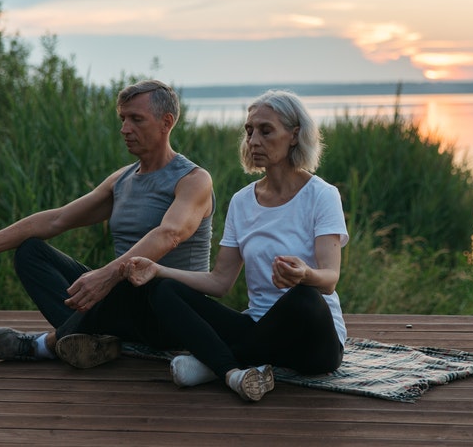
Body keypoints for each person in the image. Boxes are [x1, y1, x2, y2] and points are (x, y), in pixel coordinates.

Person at [0, 79, 215, 366]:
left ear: (166, 122)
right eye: (122, 119)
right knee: (31, 252)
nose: (125, 129)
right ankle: (89, 341)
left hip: (172, 314)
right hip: (125, 306)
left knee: (131, 278)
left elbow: (170, 234)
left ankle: (45, 345)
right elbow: (58, 219)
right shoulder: (122, 180)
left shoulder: (193, 180)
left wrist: (108, 275)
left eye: (136, 119)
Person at [118, 89, 348, 402]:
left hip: (313, 343)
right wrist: (158, 269)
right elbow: (220, 281)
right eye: (249, 131)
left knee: (304, 299)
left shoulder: (322, 195)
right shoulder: (242, 202)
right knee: (163, 289)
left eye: (266, 131)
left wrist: (305, 275)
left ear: (294, 135)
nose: (254, 141)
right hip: (256, 328)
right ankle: (234, 372)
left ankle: (215, 365)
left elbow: (330, 280)